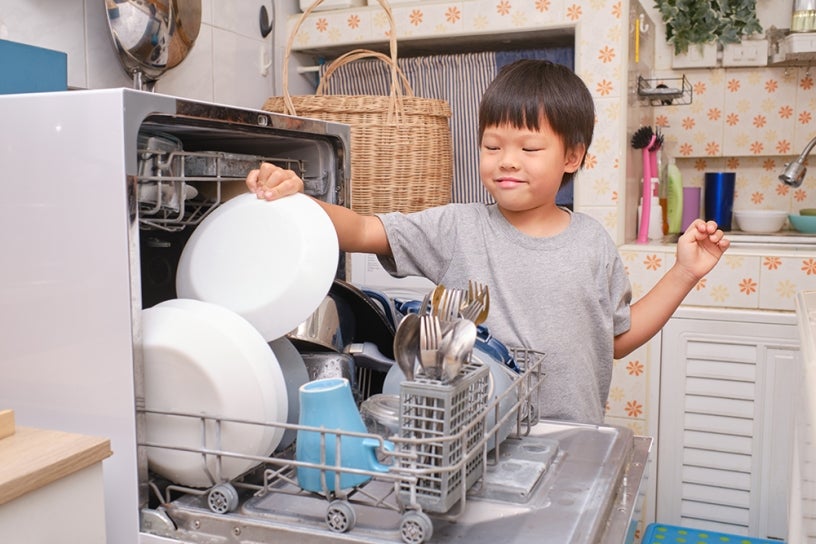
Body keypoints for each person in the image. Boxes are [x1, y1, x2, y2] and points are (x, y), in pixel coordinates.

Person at [246, 59, 730, 425]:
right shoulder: (457, 227)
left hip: (573, 436)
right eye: (492, 146)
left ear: (573, 156)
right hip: (469, 440)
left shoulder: (593, 243)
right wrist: (299, 199)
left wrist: (684, 272)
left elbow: (617, 341)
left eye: (529, 148)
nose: (507, 161)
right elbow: (363, 229)